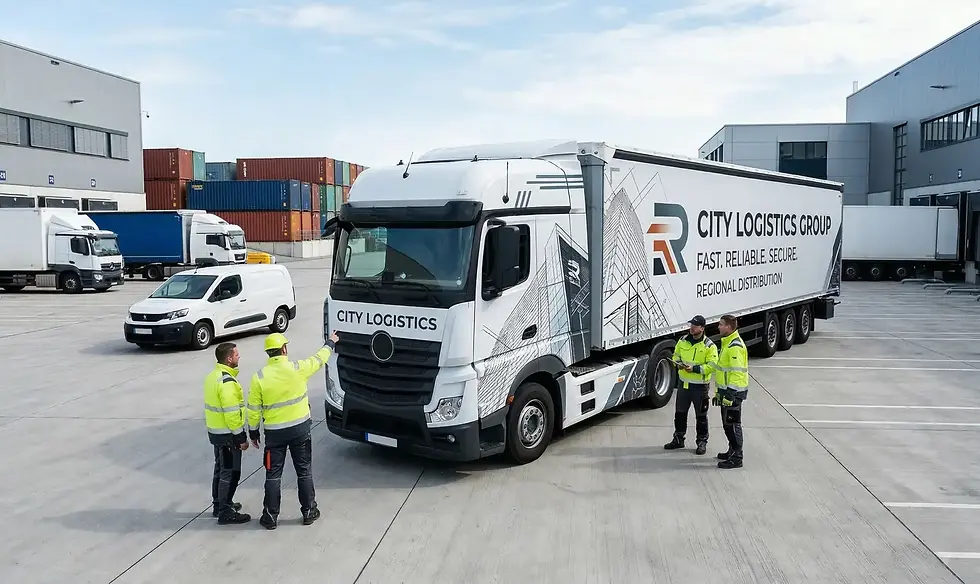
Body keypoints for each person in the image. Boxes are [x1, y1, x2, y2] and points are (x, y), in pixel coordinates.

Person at [247, 331, 339, 530]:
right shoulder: (298, 368)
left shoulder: (259, 377)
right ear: (284, 349)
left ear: (268, 353)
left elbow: (253, 410)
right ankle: (308, 511)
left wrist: (253, 433)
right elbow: (319, 358)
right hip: (300, 431)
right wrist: (330, 342)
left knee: (273, 475)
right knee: (304, 471)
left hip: (274, 435)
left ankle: (270, 516)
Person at [204, 342, 251, 525]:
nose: (239, 357)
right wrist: (241, 437)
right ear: (229, 358)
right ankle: (225, 512)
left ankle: (219, 504)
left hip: (216, 433)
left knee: (220, 469)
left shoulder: (213, 376)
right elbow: (232, 413)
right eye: (237, 354)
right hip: (228, 436)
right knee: (230, 473)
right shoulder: (227, 382)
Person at [664, 315, 718, 455]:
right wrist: (678, 364)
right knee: (680, 414)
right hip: (684, 385)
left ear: (702, 328)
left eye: (695, 325)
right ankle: (678, 439)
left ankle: (701, 442)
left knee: (701, 416)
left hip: (700, 387)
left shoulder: (709, 346)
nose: (692, 327)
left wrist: (694, 369)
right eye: (691, 325)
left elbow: (711, 366)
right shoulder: (682, 341)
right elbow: (676, 355)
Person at [713, 314, 749, 469]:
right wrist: (719, 392)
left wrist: (729, 393)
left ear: (729, 327)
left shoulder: (735, 346)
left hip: (733, 394)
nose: (718, 327)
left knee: (733, 425)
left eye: (721, 324)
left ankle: (737, 457)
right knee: (727, 424)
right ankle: (732, 450)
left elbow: (736, 372)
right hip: (726, 391)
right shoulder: (727, 343)